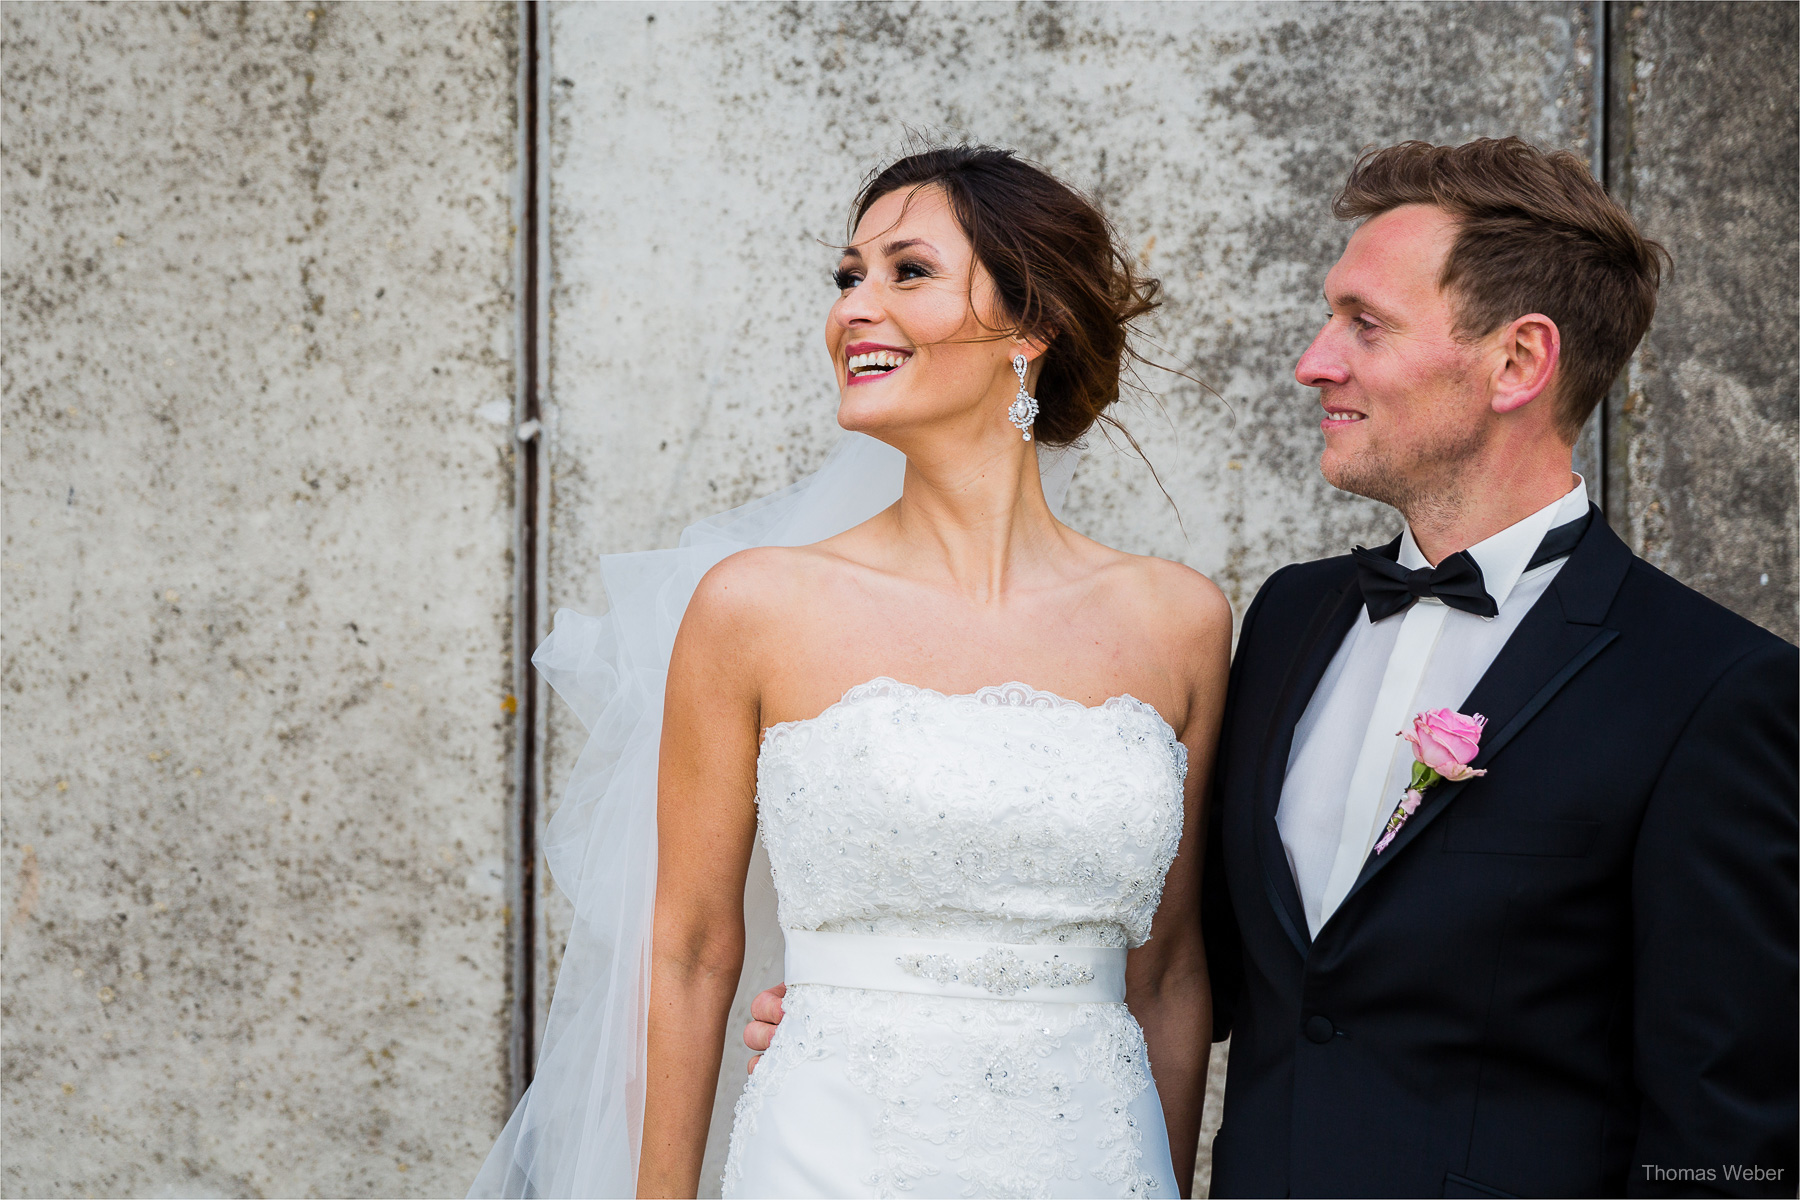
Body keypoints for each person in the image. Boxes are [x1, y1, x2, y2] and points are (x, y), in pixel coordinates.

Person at [750, 137, 1800, 1198]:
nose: (1314, 360)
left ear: (1519, 362)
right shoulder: (1291, 621)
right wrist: (903, 1002)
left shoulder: (1712, 691)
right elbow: (1167, 953)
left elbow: (1726, 1132)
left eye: (1365, 324)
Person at [474, 145, 1231, 1200]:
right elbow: (690, 951)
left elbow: (1171, 974)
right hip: (830, 1155)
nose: (854, 310)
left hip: (1094, 1159)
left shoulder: (1179, 622)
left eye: (906, 272)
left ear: (1032, 327)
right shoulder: (757, 606)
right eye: (847, 277)